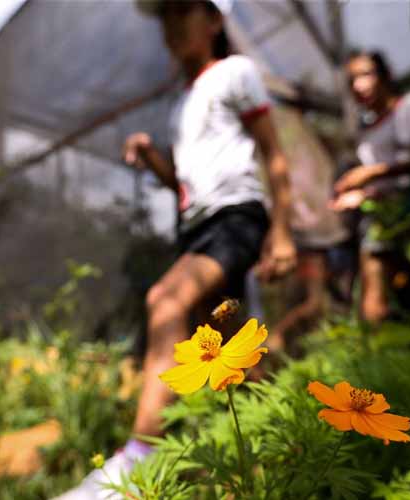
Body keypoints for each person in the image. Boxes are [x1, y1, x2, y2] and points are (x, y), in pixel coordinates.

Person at [53, 1, 295, 498]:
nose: (171, 25)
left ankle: (139, 459)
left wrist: (284, 232)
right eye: (164, 16)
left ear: (214, 21)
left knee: (166, 300)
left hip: (236, 218)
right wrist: (151, 156)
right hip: (197, 225)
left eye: (183, 10)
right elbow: (181, 184)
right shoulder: (181, 103)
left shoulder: (235, 72)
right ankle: (276, 457)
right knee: (233, 356)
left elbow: (274, 152)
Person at [330, 50, 410, 324]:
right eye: (352, 80)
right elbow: (385, 184)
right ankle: (375, 351)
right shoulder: (366, 134)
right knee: (372, 275)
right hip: (384, 214)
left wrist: (371, 173)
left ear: (386, 76)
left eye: (366, 74)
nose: (359, 86)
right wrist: (361, 193)